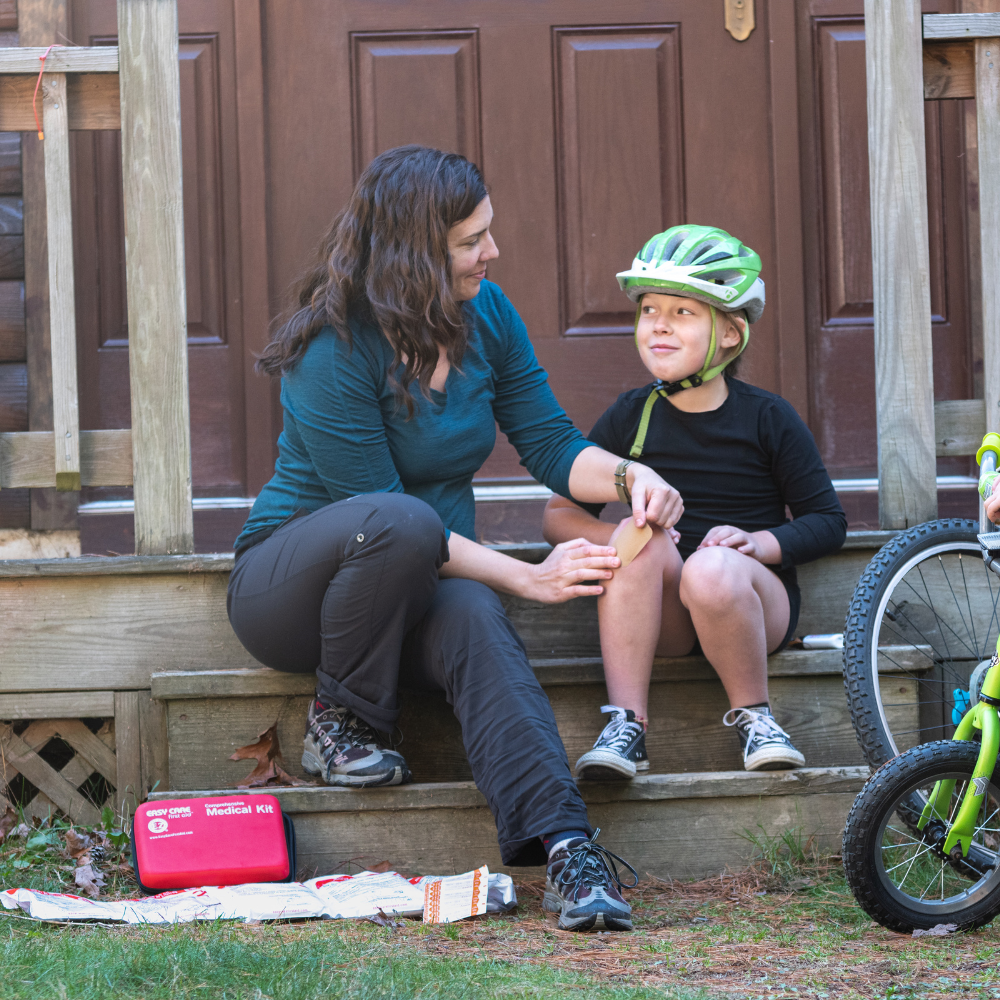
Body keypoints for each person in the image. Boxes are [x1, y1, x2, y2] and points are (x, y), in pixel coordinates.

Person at [226, 145, 683, 932]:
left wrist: (629, 479)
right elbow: (386, 510)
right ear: (414, 254)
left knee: (474, 619)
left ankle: (570, 850)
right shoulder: (331, 347)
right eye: (472, 241)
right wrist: (528, 576)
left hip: (424, 585)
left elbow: (550, 442)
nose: (492, 253)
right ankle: (340, 717)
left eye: (487, 234)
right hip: (292, 590)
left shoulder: (489, 317)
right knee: (403, 524)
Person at [542, 225, 847, 780]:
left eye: (683, 312)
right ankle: (626, 725)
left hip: (750, 600)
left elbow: (828, 522)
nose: (658, 322)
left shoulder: (767, 417)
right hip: (666, 619)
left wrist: (759, 544)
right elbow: (558, 515)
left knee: (710, 568)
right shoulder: (629, 415)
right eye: (649, 308)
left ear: (730, 333)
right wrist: (625, 538)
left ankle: (758, 719)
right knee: (640, 540)